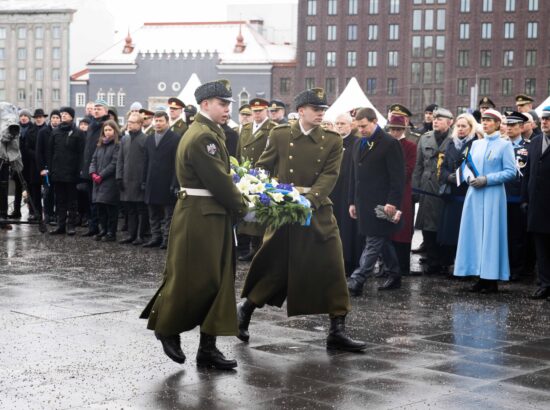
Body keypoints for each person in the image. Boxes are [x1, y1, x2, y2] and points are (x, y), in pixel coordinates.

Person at [238, 87, 366, 353]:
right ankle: (245, 310)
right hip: (284, 210)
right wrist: (263, 191)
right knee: (275, 265)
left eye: (323, 109)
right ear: (301, 111)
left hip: (316, 211)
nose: (321, 113)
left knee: (332, 265)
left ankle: (337, 329)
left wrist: (310, 200)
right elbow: (264, 166)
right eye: (316, 109)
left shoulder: (332, 140)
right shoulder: (281, 134)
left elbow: (331, 175)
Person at [141, 79, 248, 369]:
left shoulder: (209, 132)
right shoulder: (204, 137)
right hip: (203, 214)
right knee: (195, 278)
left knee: (217, 279)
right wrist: (243, 205)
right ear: (205, 105)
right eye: (222, 104)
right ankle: (167, 327)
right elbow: (219, 182)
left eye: (228, 104)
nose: (227, 109)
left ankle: (208, 348)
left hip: (209, 213)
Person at [454, 109, 516, 293]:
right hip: (474, 194)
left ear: (497, 124)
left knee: (491, 235)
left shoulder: (505, 145)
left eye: (490, 120)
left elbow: (511, 172)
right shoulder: (476, 144)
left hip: (493, 195)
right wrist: (468, 178)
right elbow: (466, 166)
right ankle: (477, 274)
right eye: (484, 120)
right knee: (473, 234)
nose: (486, 123)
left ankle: (491, 279)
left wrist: (487, 179)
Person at [347, 108, 405, 295]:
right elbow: (354, 176)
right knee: (381, 239)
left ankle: (358, 279)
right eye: (358, 126)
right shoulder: (358, 143)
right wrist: (352, 202)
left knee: (373, 240)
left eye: (364, 126)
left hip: (382, 203)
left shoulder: (389, 143)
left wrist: (393, 202)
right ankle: (395, 274)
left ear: (374, 121)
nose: (361, 129)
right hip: (363, 202)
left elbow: (397, 177)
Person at [412, 108, 454, 275]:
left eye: (440, 119)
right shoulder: (425, 138)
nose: (435, 121)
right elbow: (418, 166)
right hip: (427, 186)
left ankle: (446, 260)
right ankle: (432, 260)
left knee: (444, 224)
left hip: (446, 186)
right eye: (434, 118)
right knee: (428, 224)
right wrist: (415, 188)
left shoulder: (454, 138)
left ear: (450, 122)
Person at [236, 97, 278, 261]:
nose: (257, 114)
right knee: (248, 212)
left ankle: (260, 248)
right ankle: (250, 248)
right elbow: (240, 152)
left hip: (263, 176)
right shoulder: (246, 128)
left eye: (260, 111)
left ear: (266, 110)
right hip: (247, 177)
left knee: (261, 213)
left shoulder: (273, 128)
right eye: (254, 111)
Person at [438, 113, 478, 270]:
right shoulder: (451, 143)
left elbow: (475, 166)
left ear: (471, 127)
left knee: (465, 232)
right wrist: (449, 177)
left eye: (464, 126)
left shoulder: (476, 143)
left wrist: (461, 176)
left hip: (467, 193)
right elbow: (443, 168)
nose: (460, 129)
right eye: (458, 126)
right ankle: (448, 263)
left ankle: (464, 266)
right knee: (449, 231)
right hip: (451, 194)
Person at [522, 106, 550, 300]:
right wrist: (525, 199)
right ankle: (545, 283)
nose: (545, 122)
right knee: (541, 247)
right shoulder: (535, 142)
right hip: (537, 205)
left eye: (549, 119)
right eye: (543, 119)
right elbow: (527, 174)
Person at [142, 111, 181, 249]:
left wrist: (175, 183)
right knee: (153, 213)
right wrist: (143, 180)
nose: (157, 124)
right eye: (156, 121)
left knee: (168, 215)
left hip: (167, 182)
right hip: (152, 182)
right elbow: (145, 161)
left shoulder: (175, 138)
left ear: (167, 122)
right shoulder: (149, 139)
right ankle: (155, 236)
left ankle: (167, 239)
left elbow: (177, 162)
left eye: (160, 121)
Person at [46, 107, 86, 235]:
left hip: (72, 172)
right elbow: (50, 152)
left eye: (66, 114)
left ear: (72, 117)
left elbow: (82, 153)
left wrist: (80, 170)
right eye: (62, 114)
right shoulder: (55, 132)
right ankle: (60, 225)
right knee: (60, 200)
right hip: (57, 172)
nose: (63, 116)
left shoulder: (78, 133)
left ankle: (71, 226)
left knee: (72, 201)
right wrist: (51, 169)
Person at [330, 112, 361, 275]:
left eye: (343, 123)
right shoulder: (331, 142)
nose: (339, 126)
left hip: (348, 191)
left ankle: (350, 262)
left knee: (348, 229)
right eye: (337, 123)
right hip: (333, 191)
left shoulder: (356, 143)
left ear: (351, 125)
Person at [387, 115, 417, 276]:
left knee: (402, 228)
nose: (395, 132)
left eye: (398, 129)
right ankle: (388, 266)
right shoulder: (385, 144)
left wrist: (390, 176)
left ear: (403, 130)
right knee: (386, 227)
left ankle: (402, 266)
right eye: (392, 129)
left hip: (403, 191)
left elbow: (408, 169)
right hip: (386, 190)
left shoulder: (410, 146)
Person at [116, 112, 148, 245]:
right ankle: (131, 234)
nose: (129, 124)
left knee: (141, 209)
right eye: (129, 122)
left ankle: (140, 235)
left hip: (139, 180)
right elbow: (120, 160)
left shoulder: (146, 139)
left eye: (133, 122)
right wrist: (119, 177)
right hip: (126, 179)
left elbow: (148, 162)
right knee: (130, 209)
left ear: (140, 124)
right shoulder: (125, 139)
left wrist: (145, 180)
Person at [80, 99, 110, 237]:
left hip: (101, 168)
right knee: (90, 199)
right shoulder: (91, 125)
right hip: (89, 168)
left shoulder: (107, 125)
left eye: (100, 108)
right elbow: (87, 148)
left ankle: (103, 228)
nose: (96, 110)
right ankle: (93, 227)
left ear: (106, 111)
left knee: (100, 201)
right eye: (95, 108)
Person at [89, 120, 120, 241]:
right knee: (100, 207)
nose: (107, 133)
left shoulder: (117, 145)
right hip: (97, 182)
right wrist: (92, 172)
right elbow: (94, 160)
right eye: (105, 130)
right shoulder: (100, 145)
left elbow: (114, 163)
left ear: (115, 131)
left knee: (110, 208)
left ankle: (111, 232)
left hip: (109, 181)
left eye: (110, 130)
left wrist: (101, 175)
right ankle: (103, 230)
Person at [36, 109, 61, 225]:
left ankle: (57, 215)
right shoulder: (43, 132)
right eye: (53, 118)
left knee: (58, 193)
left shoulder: (62, 131)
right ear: (50, 119)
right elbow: (39, 152)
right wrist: (41, 168)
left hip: (59, 168)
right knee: (47, 192)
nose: (55, 120)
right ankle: (48, 214)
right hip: (46, 167)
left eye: (57, 118)